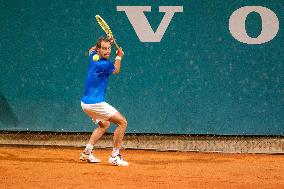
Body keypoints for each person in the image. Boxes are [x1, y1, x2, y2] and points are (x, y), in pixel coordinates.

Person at [80, 37, 129, 166]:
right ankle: (115, 156)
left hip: (85, 104)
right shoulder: (105, 64)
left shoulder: (93, 56)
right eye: (104, 49)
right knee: (122, 122)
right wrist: (119, 56)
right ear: (99, 50)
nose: (107, 51)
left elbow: (91, 50)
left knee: (105, 125)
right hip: (95, 104)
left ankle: (87, 152)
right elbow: (116, 71)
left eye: (108, 48)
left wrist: (103, 43)